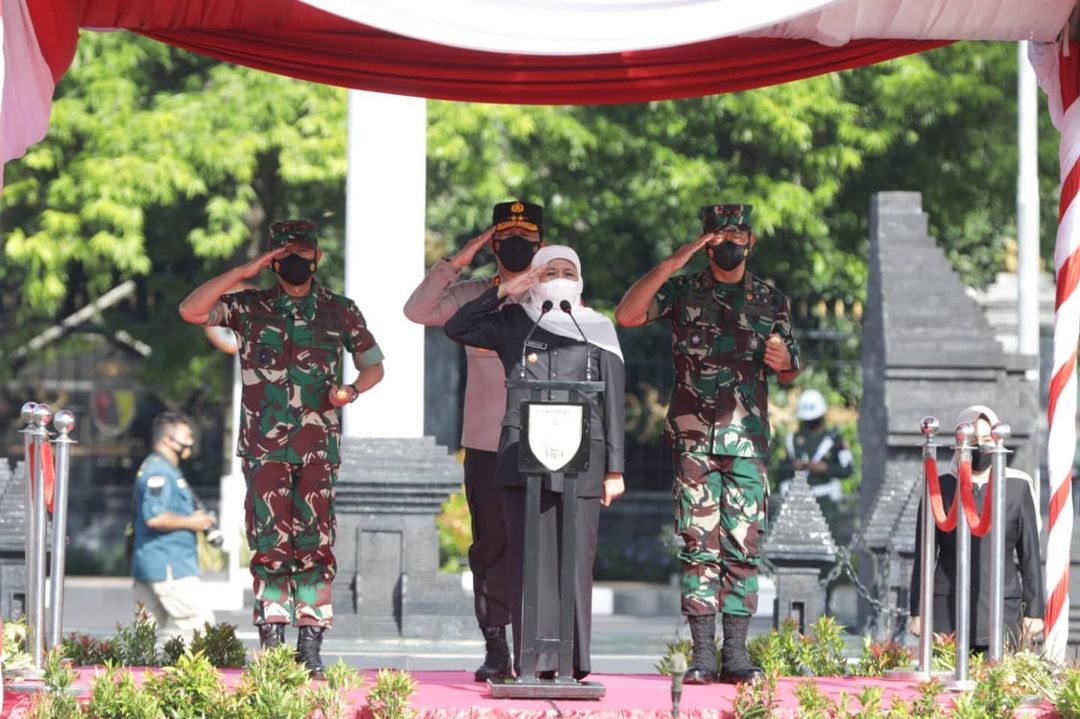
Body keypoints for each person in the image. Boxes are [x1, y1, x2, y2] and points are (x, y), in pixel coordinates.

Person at [178, 219, 384, 678]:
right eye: (283, 254)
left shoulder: (340, 310)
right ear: (272, 258)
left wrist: (351, 391)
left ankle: (310, 646)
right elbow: (192, 311)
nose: (294, 261)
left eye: (301, 252)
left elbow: (374, 367)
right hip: (265, 447)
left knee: (315, 546)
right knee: (269, 545)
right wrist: (244, 270)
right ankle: (272, 644)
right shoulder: (248, 307)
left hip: (316, 448)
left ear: (317, 257)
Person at [615, 203, 801, 684]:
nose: (729, 245)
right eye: (718, 238)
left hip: (747, 443)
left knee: (743, 548)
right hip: (694, 440)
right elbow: (628, 314)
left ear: (751, 241)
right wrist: (673, 262)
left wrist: (782, 358)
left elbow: (789, 370)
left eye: (737, 235)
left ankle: (735, 656)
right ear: (705, 243)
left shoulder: (771, 300)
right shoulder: (681, 291)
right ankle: (701, 656)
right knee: (699, 545)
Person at [445, 245, 626, 680]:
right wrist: (506, 289)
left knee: (576, 559)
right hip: (522, 458)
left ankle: (573, 661)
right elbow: (457, 327)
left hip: (584, 462)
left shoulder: (598, 328)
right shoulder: (514, 322)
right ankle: (531, 659)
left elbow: (614, 402)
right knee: (527, 559)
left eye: (568, 270)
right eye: (550, 270)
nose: (560, 276)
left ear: (580, 278)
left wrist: (615, 469)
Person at [403, 200, 544, 681]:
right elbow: (418, 310)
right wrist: (464, 257)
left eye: (525, 236)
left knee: (542, 546)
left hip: (549, 444)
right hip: (487, 444)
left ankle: (540, 647)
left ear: (541, 243)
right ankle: (496, 646)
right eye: (504, 237)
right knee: (491, 548)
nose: (515, 245)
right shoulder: (475, 295)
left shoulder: (557, 295)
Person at [909, 404, 1044, 653]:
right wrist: (917, 610)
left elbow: (1029, 555)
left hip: (1002, 608)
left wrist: (1034, 610)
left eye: (986, 439)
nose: (980, 446)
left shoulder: (1017, 487)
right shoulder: (940, 487)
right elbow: (924, 555)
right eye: (973, 440)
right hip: (947, 609)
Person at [131, 412, 216, 639]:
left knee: (151, 636)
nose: (191, 442)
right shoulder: (158, 471)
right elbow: (155, 517)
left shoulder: (166, 469)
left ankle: (153, 672)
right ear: (168, 439)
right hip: (168, 565)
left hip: (161, 563)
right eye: (186, 436)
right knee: (197, 626)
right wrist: (194, 522)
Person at [775, 389, 853, 503]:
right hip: (798, 500)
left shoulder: (834, 440)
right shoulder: (793, 439)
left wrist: (826, 468)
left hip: (826, 500)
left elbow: (847, 470)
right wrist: (794, 466)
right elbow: (779, 468)